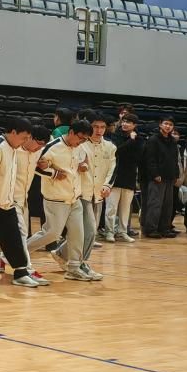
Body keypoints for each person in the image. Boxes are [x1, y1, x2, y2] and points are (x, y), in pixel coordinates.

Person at [0, 119, 44, 288]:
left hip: (6, 203)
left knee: (14, 238)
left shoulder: (13, 148)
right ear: (13, 132)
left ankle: (21, 272)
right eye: (23, 137)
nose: (25, 141)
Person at [27, 119, 93, 280]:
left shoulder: (80, 147)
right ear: (71, 132)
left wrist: (84, 166)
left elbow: (81, 163)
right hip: (56, 198)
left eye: (85, 140)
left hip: (74, 198)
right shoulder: (52, 146)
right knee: (51, 234)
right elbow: (34, 166)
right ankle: (10, 253)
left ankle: (74, 267)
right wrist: (54, 173)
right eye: (80, 138)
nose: (82, 142)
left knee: (78, 234)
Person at [75, 114, 115, 278]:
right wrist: (81, 166)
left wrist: (107, 185)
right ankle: (81, 263)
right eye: (96, 127)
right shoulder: (81, 145)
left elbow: (113, 168)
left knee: (87, 231)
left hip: (98, 194)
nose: (99, 130)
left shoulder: (110, 147)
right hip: (81, 193)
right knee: (91, 231)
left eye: (102, 127)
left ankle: (63, 254)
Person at [105, 112, 142, 242]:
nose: (125, 124)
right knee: (111, 207)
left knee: (125, 208)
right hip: (115, 176)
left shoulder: (139, 139)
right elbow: (117, 151)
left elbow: (139, 156)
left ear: (134, 125)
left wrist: (133, 141)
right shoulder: (114, 136)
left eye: (129, 122)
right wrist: (131, 141)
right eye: (124, 121)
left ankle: (122, 231)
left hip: (129, 176)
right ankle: (109, 232)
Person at [141, 117, 180, 239]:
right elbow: (149, 159)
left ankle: (164, 228)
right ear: (160, 125)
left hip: (170, 177)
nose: (168, 126)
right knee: (155, 204)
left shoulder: (173, 141)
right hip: (157, 177)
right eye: (166, 123)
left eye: (170, 124)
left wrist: (176, 174)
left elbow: (175, 160)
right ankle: (150, 229)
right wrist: (155, 174)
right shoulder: (153, 140)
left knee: (167, 205)